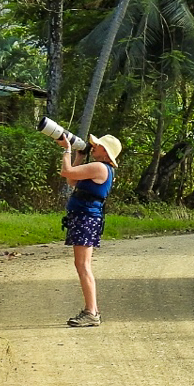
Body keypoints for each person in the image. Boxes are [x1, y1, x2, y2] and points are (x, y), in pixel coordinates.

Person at [59, 132, 122, 328]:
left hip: (87, 218)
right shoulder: (100, 168)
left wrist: (67, 149)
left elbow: (66, 172)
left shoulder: (99, 167)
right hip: (84, 217)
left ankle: (91, 311)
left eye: (97, 146)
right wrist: (79, 155)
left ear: (105, 151)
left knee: (83, 265)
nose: (93, 147)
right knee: (81, 264)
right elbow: (72, 181)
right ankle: (91, 310)